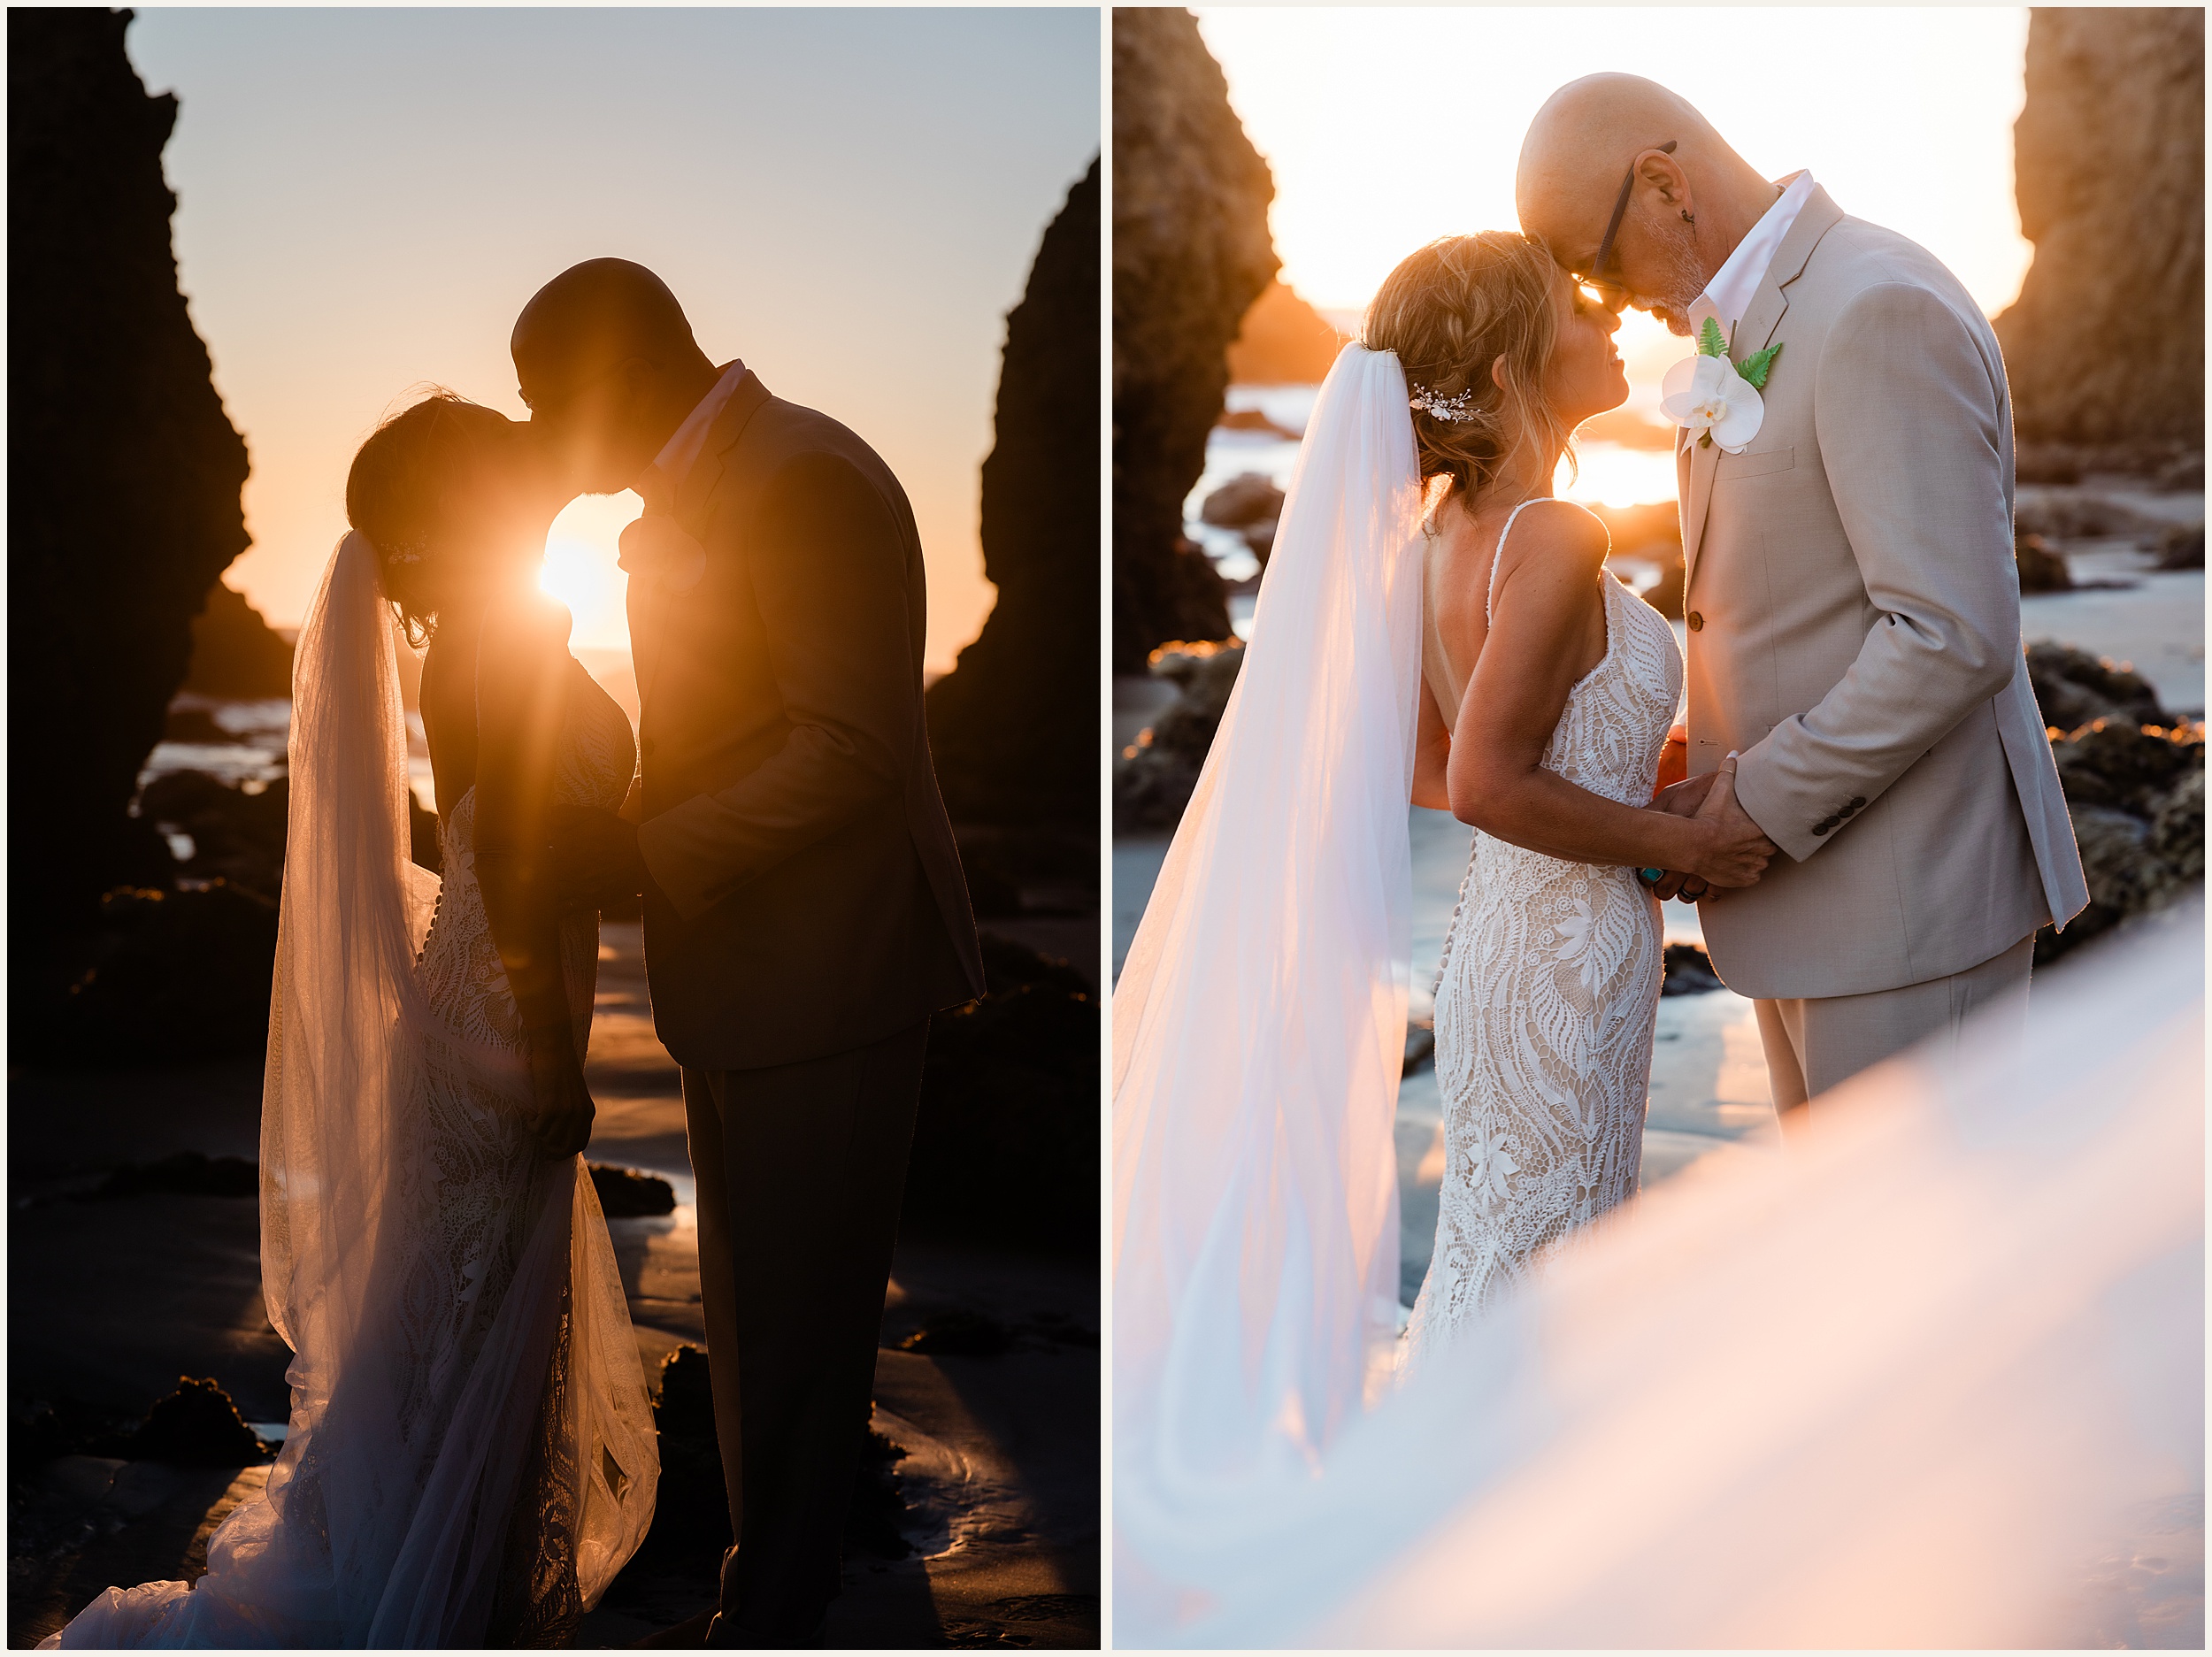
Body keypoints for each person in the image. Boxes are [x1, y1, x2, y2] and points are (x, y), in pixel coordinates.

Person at [47, 395, 659, 1647]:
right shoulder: (504, 642)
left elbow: (512, 846)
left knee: (448, 1321)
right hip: (500, 1022)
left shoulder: (483, 638)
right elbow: (532, 865)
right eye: (502, 451)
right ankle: (438, 1596)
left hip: (469, 1002)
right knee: (476, 1322)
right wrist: (549, 1056)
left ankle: (437, 1576)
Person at [512, 259, 984, 1647]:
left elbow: (851, 747)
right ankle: (770, 1592)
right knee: (758, 1315)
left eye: (551, 405)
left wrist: (646, 853)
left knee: (796, 1331)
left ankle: (776, 1612)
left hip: (829, 972)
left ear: (617, 380)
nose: (544, 434)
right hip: (744, 970)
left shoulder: (804, 479)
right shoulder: (710, 486)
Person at [1515, 73, 2089, 1125]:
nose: (1603, 303)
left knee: (1916, 1277)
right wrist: (1701, 750)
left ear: (1661, 185)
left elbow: (1950, 632)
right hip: (1801, 895)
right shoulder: (1735, 329)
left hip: (1911, 908)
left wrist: (1756, 803)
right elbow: (1780, 602)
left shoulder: (1877, 305)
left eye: (1593, 267)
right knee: (1849, 1281)